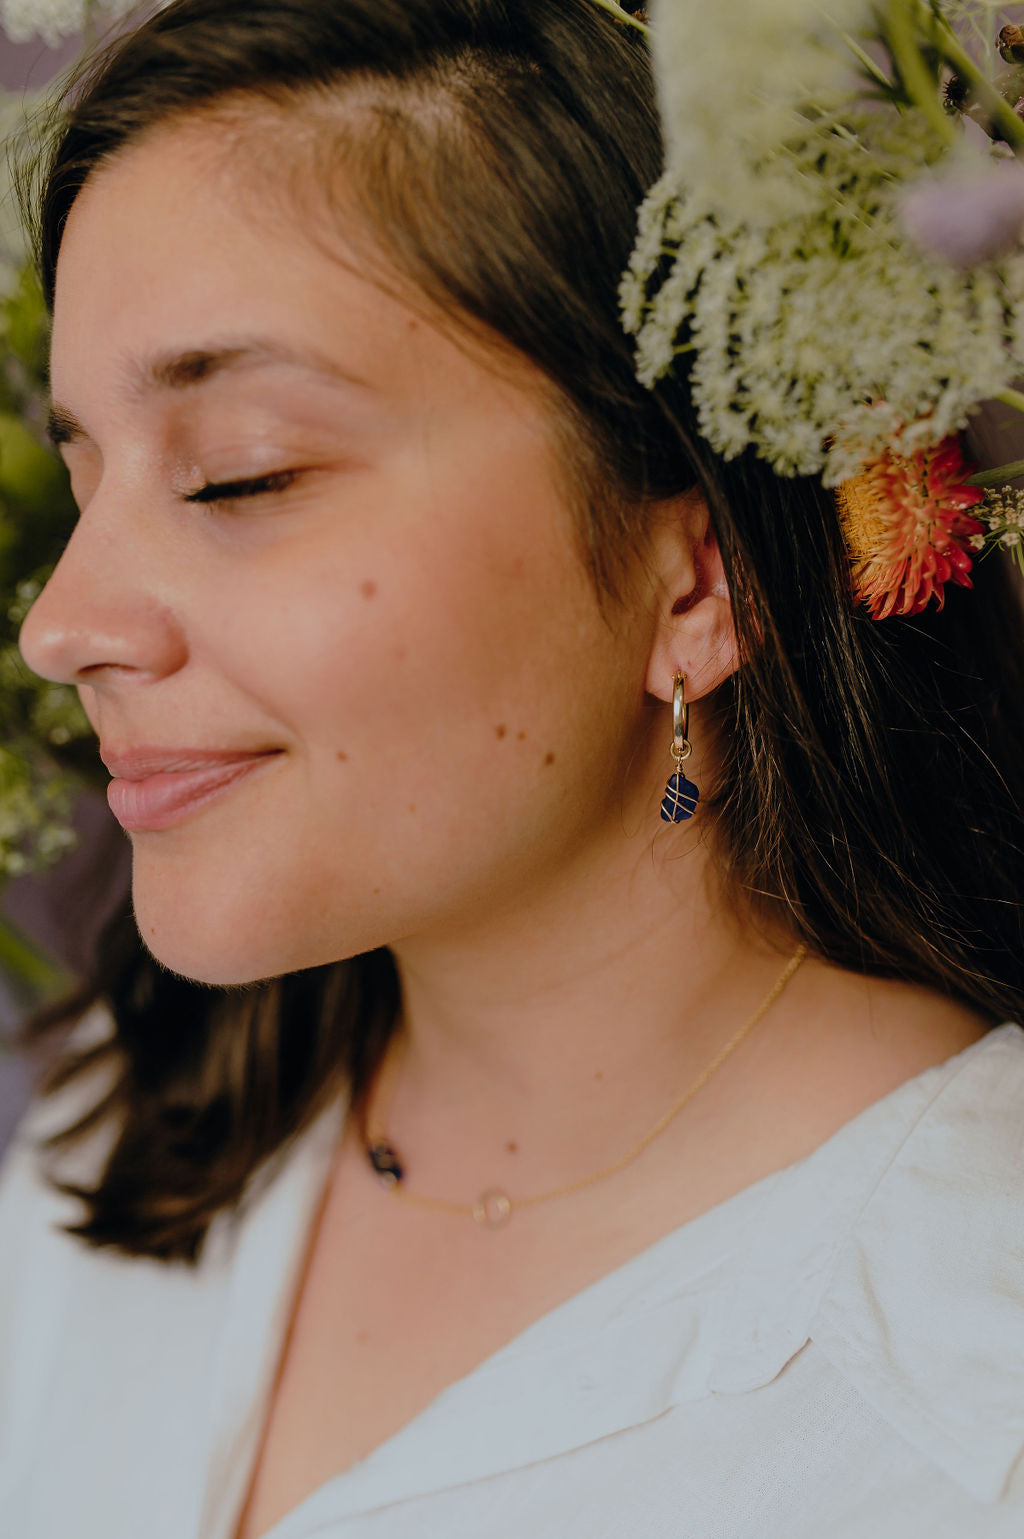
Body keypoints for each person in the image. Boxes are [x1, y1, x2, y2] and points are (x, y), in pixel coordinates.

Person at [2, 0, 1024, 1534]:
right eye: (84, 483)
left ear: (698, 583)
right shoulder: (121, 1144)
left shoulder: (961, 1399)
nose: (63, 628)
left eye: (237, 474)